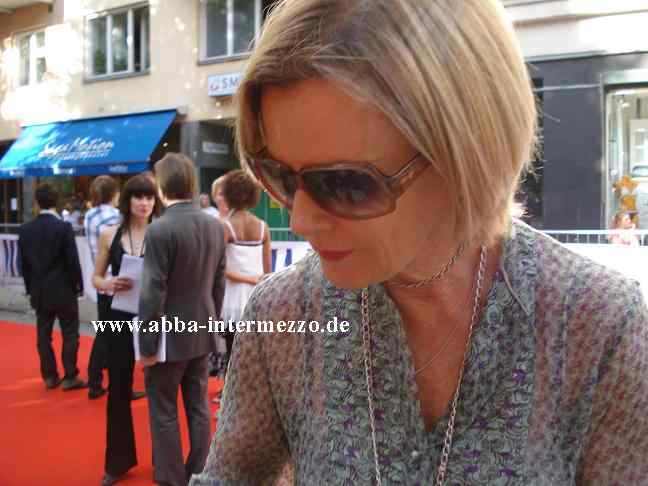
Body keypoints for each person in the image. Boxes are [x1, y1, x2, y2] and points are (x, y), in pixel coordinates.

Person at [191, 1, 648, 484]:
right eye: (279, 175)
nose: (300, 219)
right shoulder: (283, 315)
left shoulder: (597, 326)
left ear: (467, 151)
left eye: (346, 183)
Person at [138, 153, 227, 486]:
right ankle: (200, 471)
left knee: (163, 410)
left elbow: (152, 293)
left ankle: (171, 478)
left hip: (167, 335)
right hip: (202, 328)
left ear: (161, 186)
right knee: (198, 405)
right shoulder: (214, 224)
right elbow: (219, 283)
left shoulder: (160, 230)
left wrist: (146, 343)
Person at [91, 175, 160, 486]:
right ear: (128, 200)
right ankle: (116, 462)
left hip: (155, 316)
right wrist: (108, 284)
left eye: (149, 197)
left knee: (160, 389)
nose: (144, 203)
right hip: (117, 314)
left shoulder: (162, 232)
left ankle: (166, 462)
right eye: (138, 197)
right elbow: (96, 276)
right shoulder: (110, 234)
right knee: (118, 388)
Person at [18, 183, 86, 391]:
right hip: (64, 288)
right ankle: (70, 375)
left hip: (39, 289)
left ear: (36, 203)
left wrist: (30, 288)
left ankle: (49, 375)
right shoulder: (63, 228)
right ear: (56, 203)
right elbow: (72, 261)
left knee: (43, 334)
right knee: (70, 332)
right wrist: (79, 285)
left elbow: (24, 265)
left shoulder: (25, 230)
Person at [218, 170, 271, 375]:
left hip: (232, 298)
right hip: (256, 296)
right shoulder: (263, 227)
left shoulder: (225, 227)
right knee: (254, 352)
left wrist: (245, 278)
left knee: (233, 351)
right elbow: (267, 271)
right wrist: (253, 280)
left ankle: (230, 395)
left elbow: (220, 268)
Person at [86, 175, 121, 399]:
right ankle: (97, 380)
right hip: (115, 282)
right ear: (113, 194)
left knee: (106, 331)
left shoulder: (90, 215)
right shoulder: (114, 217)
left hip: (101, 282)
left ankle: (96, 378)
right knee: (111, 334)